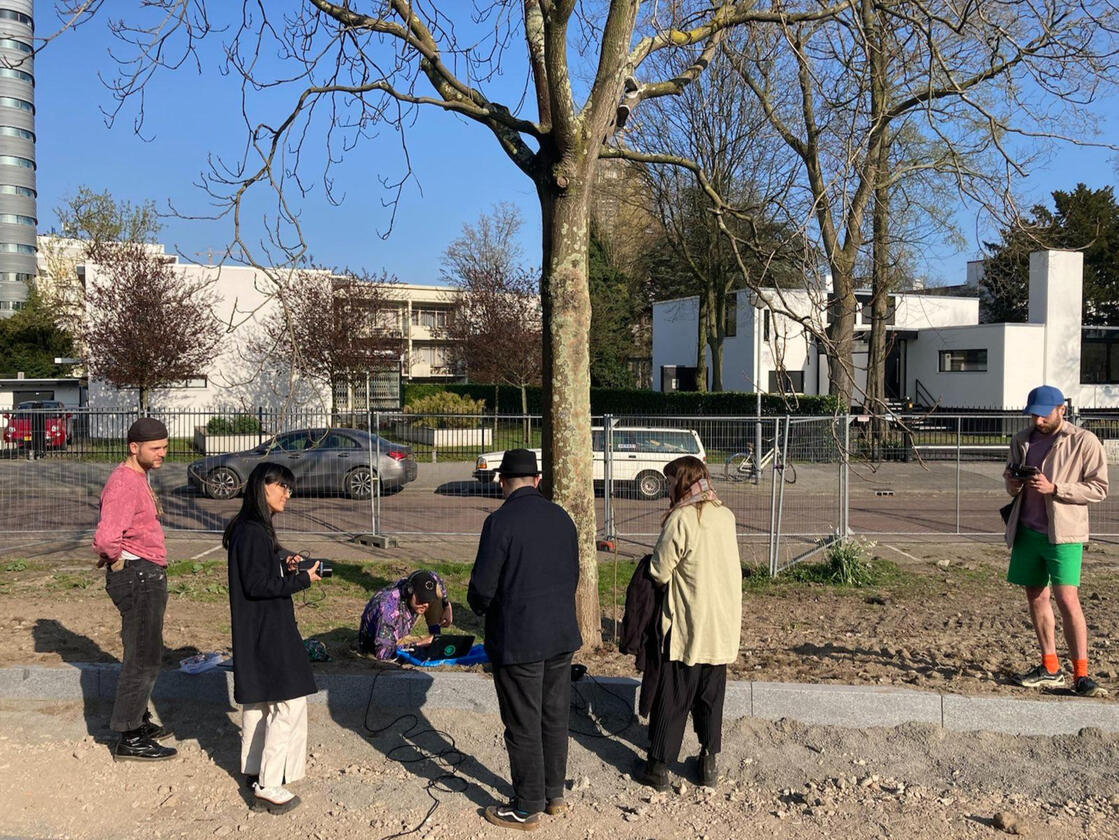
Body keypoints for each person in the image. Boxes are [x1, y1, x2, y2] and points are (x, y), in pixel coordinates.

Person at [468, 449, 581, 831]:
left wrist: (481, 607)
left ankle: (526, 806)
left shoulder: (500, 522)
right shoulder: (562, 517)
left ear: (502, 482)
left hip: (519, 639)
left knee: (522, 722)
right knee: (554, 715)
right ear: (536, 480)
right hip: (561, 634)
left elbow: (482, 589)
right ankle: (554, 794)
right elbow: (573, 572)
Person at [637, 455, 742, 792]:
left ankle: (658, 766)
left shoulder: (682, 518)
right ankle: (709, 763)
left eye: (670, 481)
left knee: (675, 695)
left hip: (688, 622)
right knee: (711, 694)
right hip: (722, 622)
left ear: (681, 482)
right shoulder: (725, 516)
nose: (667, 487)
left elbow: (660, 570)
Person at [224, 462, 322, 814]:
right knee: (289, 704)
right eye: (280, 485)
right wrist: (301, 580)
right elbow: (257, 584)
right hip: (268, 631)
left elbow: (259, 571)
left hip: (257, 629)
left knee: (260, 705)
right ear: (259, 486)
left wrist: (285, 562)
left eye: (288, 487)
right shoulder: (252, 531)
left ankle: (254, 771)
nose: (286, 493)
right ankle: (269, 783)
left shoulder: (249, 528)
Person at [1003, 385, 1109, 697]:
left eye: (1042, 414)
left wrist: (1056, 488)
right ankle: (1050, 666)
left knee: (1067, 599)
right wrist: (1012, 482)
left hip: (1063, 534)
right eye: (1032, 414)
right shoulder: (1021, 440)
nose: (1036, 420)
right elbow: (1011, 490)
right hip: (1027, 531)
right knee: (1036, 596)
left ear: (1061, 409)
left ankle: (1082, 674)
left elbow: (1100, 488)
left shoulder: (1083, 441)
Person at [92, 417, 177, 762]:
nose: (162, 455)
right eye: (156, 449)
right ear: (134, 447)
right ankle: (129, 736)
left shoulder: (138, 476)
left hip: (144, 573)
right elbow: (106, 538)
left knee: (146, 653)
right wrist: (118, 559)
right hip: (138, 576)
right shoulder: (125, 482)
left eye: (165, 448)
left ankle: (138, 720)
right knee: (142, 658)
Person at [358, 570, 454, 659]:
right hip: (381, 644)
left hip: (402, 624)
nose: (425, 604)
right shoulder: (388, 608)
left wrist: (446, 605)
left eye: (428, 600)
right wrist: (418, 644)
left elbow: (435, 579)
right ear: (409, 591)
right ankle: (431, 643)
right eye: (421, 599)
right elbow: (382, 652)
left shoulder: (421, 587)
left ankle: (436, 639)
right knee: (417, 644)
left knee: (435, 598)